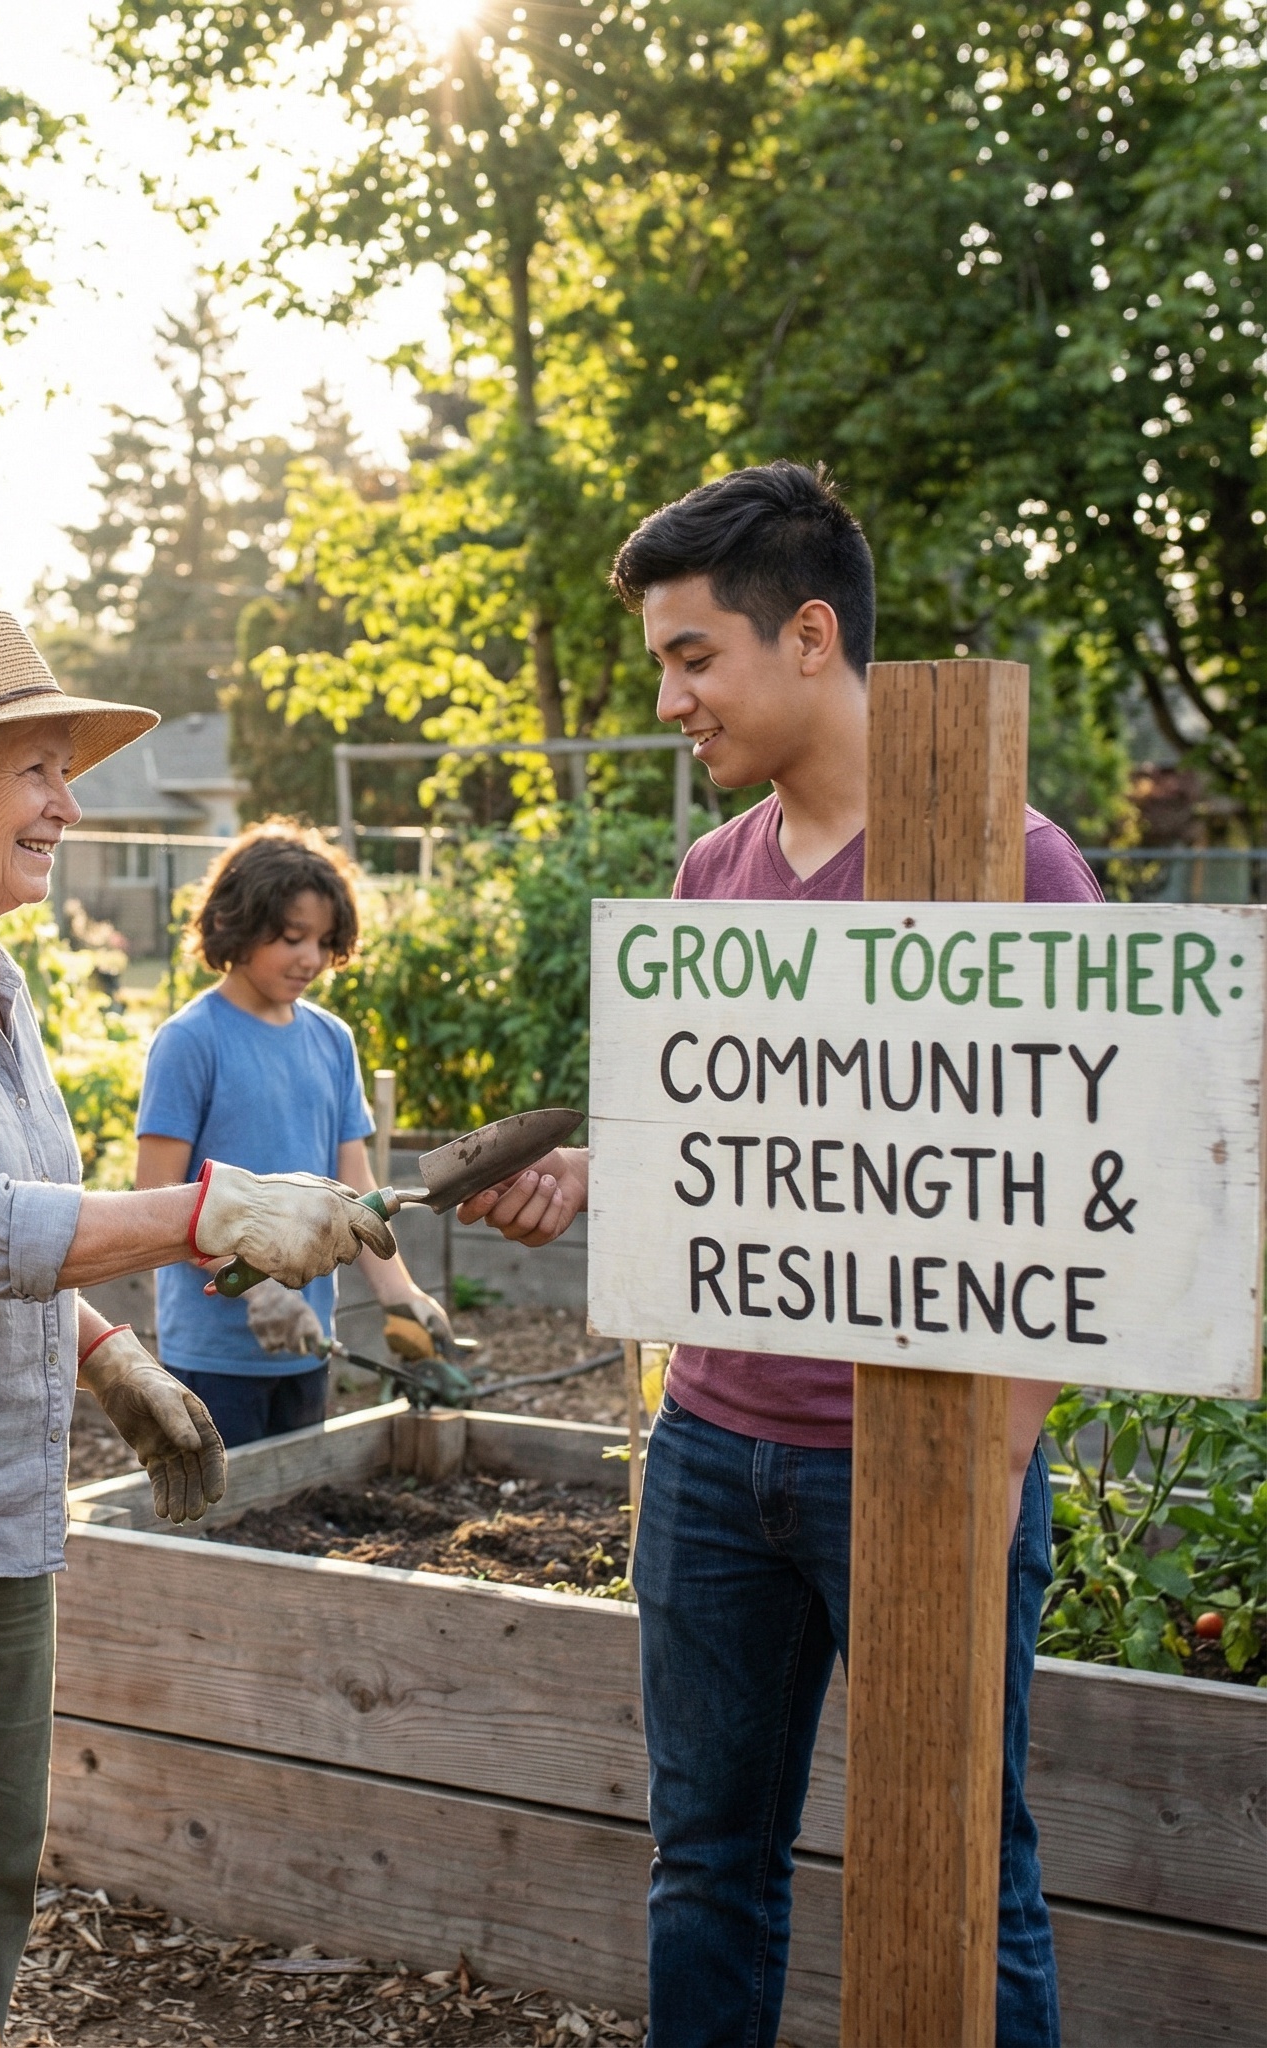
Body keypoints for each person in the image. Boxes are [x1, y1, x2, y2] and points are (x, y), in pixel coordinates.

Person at [461, 461, 1096, 2048]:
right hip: (712, 1456)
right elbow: (733, 1153)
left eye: (694, 657)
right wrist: (597, 1174)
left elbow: (1082, 1199)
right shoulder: (713, 877)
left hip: (924, 1461)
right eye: (662, 663)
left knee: (967, 1873)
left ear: (809, 636)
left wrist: (999, 1456)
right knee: (707, 1867)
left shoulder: (1017, 869)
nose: (669, 698)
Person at [0, 605, 396, 2031]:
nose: (67, 803)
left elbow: (17, 1209)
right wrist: (215, 1211)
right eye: (35, 769)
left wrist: (108, 1353)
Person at [135, 821, 456, 1445]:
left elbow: (357, 1193)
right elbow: (154, 1201)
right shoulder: (190, 1041)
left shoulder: (332, 1041)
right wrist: (255, 1291)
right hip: (212, 1353)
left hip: (308, 1337)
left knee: (299, 1491)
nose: (311, 958)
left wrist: (401, 1294)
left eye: (324, 941)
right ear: (236, 924)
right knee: (223, 1502)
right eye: (291, 937)